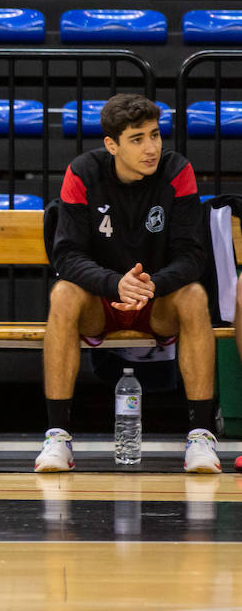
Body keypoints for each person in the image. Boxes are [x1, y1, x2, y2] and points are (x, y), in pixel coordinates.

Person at [37, 93, 219, 473]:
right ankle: (58, 437)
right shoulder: (81, 172)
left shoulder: (177, 171)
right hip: (103, 300)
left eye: (155, 135)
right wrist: (114, 284)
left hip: (157, 299)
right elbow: (66, 255)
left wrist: (148, 285)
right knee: (63, 294)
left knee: (195, 295)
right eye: (137, 139)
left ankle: (200, 437)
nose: (151, 148)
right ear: (112, 144)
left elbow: (192, 255)